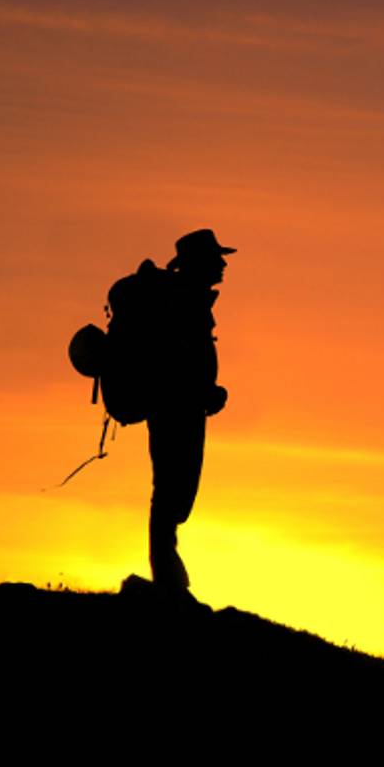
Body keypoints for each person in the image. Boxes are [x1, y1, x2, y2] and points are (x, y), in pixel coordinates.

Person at [145, 228, 235, 591]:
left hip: (183, 409)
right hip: (175, 411)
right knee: (170, 491)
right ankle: (167, 580)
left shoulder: (189, 299)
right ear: (199, 263)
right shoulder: (182, 301)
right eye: (216, 257)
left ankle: (168, 576)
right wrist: (203, 394)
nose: (223, 263)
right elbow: (174, 362)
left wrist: (206, 393)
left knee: (175, 493)